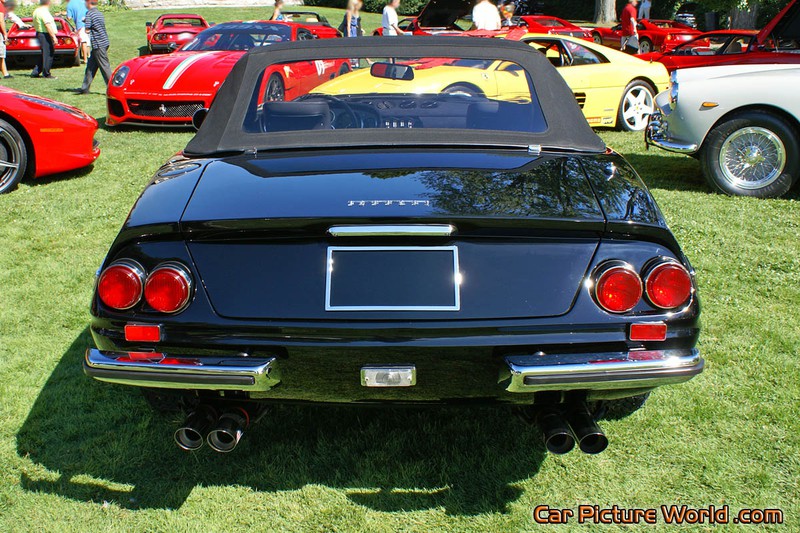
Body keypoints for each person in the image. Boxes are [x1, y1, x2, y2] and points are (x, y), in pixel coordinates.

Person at [75, 0, 110, 94]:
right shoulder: (99, 13)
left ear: (88, 3)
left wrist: (85, 22)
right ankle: (85, 88)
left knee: (105, 67)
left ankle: (112, 88)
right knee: (90, 67)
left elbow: (86, 30)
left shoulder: (89, 14)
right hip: (104, 42)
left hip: (98, 44)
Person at [31, 0, 58, 79]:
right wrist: (53, 37)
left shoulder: (36, 11)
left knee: (44, 54)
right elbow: (48, 25)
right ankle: (46, 73)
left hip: (40, 33)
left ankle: (36, 71)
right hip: (45, 34)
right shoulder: (44, 12)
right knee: (48, 54)